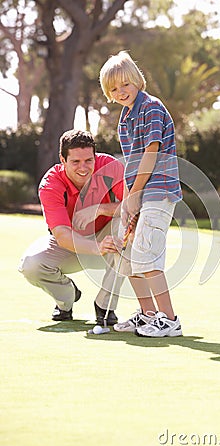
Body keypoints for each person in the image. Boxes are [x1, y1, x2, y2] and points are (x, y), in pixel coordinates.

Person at [99, 51, 183, 337]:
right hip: (137, 193)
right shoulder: (124, 118)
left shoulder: (151, 108)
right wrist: (127, 198)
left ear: (136, 80)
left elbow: (151, 152)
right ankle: (148, 315)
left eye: (125, 84)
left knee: (146, 255)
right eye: (113, 88)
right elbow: (131, 163)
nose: (120, 91)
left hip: (158, 192)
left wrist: (135, 195)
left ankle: (169, 319)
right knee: (128, 257)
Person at [19, 129, 128, 325]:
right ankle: (66, 299)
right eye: (75, 162)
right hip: (71, 243)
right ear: (63, 159)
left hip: (106, 236)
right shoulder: (50, 183)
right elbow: (61, 234)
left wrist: (100, 209)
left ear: (95, 157)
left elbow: (131, 205)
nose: (83, 168)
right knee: (30, 265)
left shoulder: (110, 166)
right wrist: (97, 247)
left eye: (88, 160)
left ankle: (105, 305)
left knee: (127, 225)